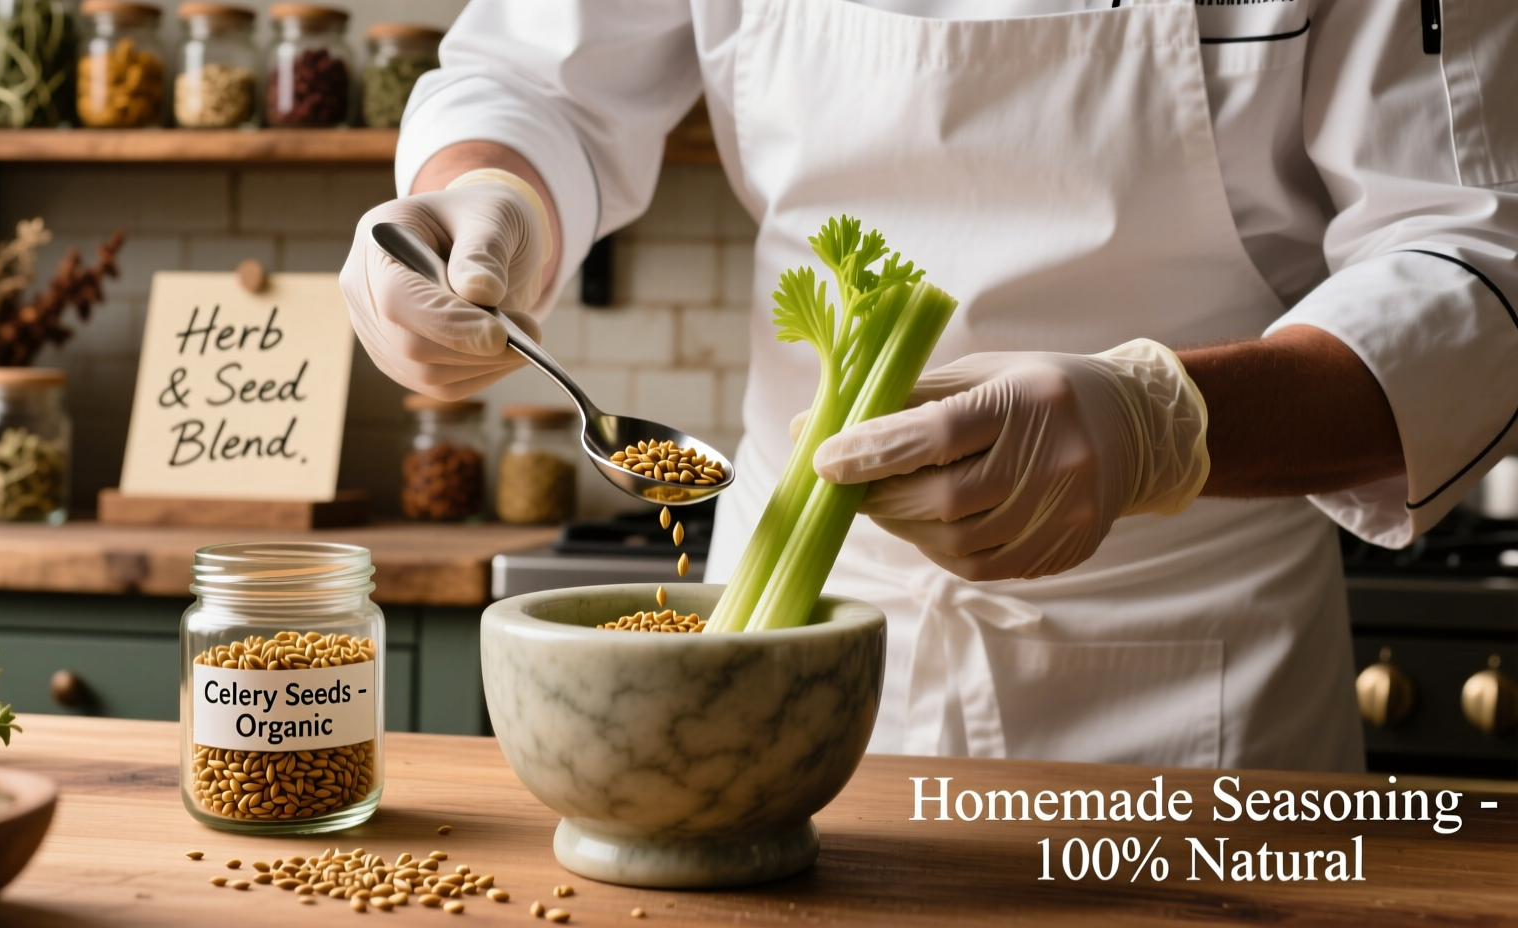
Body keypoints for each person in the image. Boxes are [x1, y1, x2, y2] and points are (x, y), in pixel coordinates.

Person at [341, 0, 1518, 771]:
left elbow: (1471, 265)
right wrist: (483, 199)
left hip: (1190, 663)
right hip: (790, 633)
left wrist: (1161, 424)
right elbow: (539, 78)